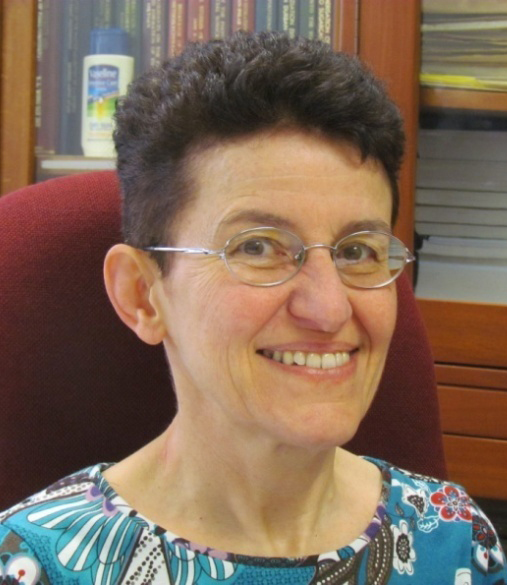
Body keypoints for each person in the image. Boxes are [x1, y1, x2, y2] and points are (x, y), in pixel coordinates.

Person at [0, 31, 505, 585]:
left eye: (357, 251)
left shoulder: (457, 542)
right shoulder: (34, 565)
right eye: (258, 247)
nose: (329, 309)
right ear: (142, 295)